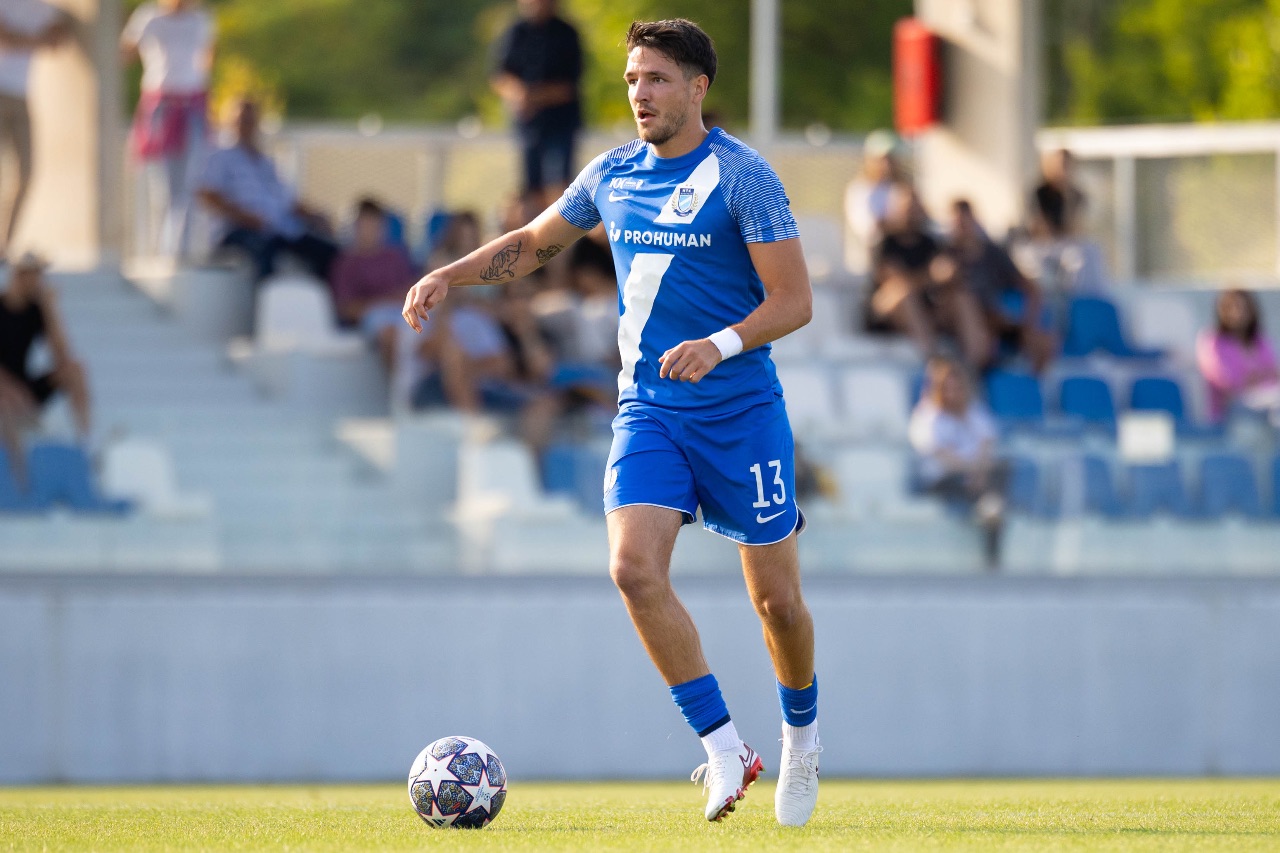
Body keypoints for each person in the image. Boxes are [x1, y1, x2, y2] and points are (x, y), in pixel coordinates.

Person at [404, 19, 821, 827]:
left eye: (657, 78)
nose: (640, 94)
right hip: (649, 412)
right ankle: (724, 747)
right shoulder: (611, 173)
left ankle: (801, 739)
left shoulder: (745, 177)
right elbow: (534, 243)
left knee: (778, 604)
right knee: (632, 570)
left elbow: (794, 300)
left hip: (740, 414)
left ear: (697, 86)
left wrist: (719, 344)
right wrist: (449, 274)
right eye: (632, 79)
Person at [196, 99, 339, 282]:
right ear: (230, 122)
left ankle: (317, 299)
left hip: (279, 229)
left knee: (328, 251)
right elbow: (208, 195)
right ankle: (266, 299)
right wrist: (245, 217)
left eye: (250, 121)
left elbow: (288, 201)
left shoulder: (266, 163)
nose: (246, 126)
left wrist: (316, 216)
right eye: (242, 120)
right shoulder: (220, 156)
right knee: (265, 251)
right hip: (239, 231)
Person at [121, 0, 216, 260]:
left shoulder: (201, 19)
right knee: (163, 189)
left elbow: (206, 60)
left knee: (190, 186)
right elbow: (125, 54)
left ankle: (181, 252)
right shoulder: (149, 17)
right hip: (161, 107)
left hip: (192, 108)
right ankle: (160, 253)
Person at [868, 182, 992, 370]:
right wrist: (931, 276)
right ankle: (932, 362)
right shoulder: (885, 243)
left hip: (925, 308)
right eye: (907, 207)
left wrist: (950, 276)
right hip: (889, 310)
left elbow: (943, 276)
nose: (912, 212)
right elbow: (896, 283)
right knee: (904, 294)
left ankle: (974, 365)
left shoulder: (929, 243)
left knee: (961, 297)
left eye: (915, 206)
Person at [908, 357, 1008, 569]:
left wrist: (979, 471)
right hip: (944, 479)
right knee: (982, 488)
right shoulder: (927, 417)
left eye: (957, 388)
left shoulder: (975, 413)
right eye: (947, 389)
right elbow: (943, 457)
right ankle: (989, 505)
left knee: (1004, 468)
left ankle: (989, 507)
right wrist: (974, 471)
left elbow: (987, 447)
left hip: (977, 476)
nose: (953, 394)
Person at [0, 252, 90, 483]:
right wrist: (9, 388)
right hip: (4, 390)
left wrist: (51, 310)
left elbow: (62, 355)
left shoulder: (36, 309)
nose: (38, 280)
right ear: (19, 275)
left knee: (75, 370)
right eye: (33, 275)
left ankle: (86, 448)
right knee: (5, 400)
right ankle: (19, 475)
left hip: (23, 386)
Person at [491, 0, 583, 208]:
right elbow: (500, 75)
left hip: (561, 121)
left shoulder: (566, 34)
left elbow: (569, 86)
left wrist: (533, 98)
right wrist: (517, 94)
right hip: (528, 124)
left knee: (561, 185)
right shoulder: (515, 32)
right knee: (531, 187)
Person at [945, 199, 1054, 372]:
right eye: (957, 223)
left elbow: (1029, 287)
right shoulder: (944, 254)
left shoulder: (993, 252)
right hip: (961, 324)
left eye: (965, 221)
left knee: (1044, 342)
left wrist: (1030, 322)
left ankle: (1033, 383)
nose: (962, 227)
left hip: (994, 319)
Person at [0, 0, 72, 258]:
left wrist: (21, 39)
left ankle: (4, 245)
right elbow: (5, 38)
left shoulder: (44, 10)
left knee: (25, 173)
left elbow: (57, 40)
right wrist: (36, 40)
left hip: (21, 97)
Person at [331, 198, 416, 370]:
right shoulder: (346, 264)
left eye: (374, 224)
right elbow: (346, 308)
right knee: (391, 334)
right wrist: (383, 302)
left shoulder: (395, 257)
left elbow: (411, 290)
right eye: (365, 224)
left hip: (403, 312)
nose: (370, 230)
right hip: (372, 319)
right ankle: (400, 386)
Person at [1196, 288, 1280, 426]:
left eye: (1243, 307)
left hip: (1266, 413)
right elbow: (1228, 383)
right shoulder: (1213, 341)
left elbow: (1274, 374)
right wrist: (1258, 376)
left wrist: (1254, 378)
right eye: (1232, 307)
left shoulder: (1260, 340)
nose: (1238, 313)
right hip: (1229, 419)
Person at [843, 129, 904, 275]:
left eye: (890, 159)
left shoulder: (899, 187)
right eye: (882, 159)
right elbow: (870, 230)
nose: (886, 164)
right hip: (869, 262)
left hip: (900, 258)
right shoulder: (859, 191)